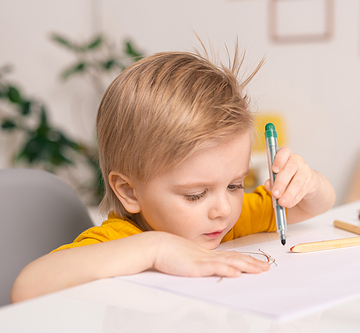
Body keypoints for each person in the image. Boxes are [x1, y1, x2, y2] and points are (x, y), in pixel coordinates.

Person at [11, 46, 336, 303]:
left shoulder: (223, 222)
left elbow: (311, 206)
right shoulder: (119, 239)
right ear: (129, 191)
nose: (223, 208)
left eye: (236, 184)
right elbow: (27, 287)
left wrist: (308, 183)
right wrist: (157, 248)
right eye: (195, 194)